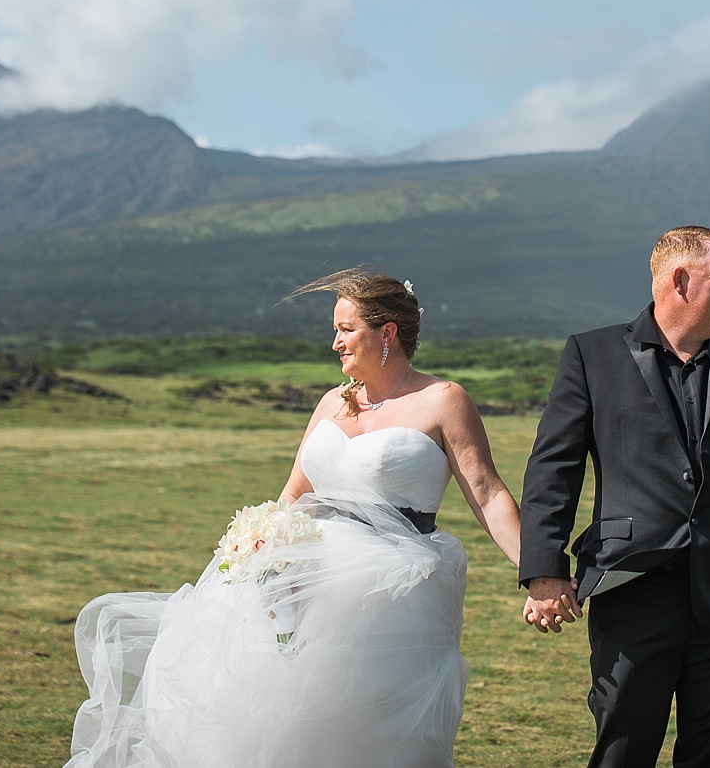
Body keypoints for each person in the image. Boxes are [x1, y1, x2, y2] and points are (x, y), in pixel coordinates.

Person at [63, 271, 524, 768]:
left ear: (386, 332)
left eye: (346, 329)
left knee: (362, 729)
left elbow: (487, 492)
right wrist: (262, 556)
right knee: (264, 716)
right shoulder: (332, 402)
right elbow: (293, 494)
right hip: (303, 583)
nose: (335, 343)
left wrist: (537, 572)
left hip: (388, 595)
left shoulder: (443, 400)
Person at [518, 226, 710, 768]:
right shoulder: (590, 354)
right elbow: (555, 468)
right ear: (681, 280)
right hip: (632, 584)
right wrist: (544, 570)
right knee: (622, 746)